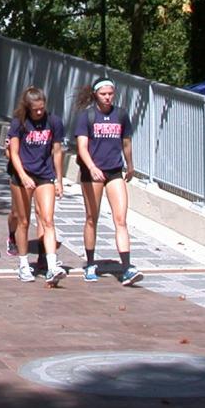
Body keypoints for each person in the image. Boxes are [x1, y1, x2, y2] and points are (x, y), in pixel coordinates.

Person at [73, 78, 143, 286]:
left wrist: (130, 165)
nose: (107, 97)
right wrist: (92, 168)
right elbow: (82, 147)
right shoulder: (87, 116)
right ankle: (91, 263)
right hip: (92, 173)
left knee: (120, 219)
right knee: (91, 218)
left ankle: (126, 267)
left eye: (110, 94)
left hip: (114, 171)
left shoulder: (120, 114)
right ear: (96, 94)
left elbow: (126, 142)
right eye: (103, 94)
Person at [7, 86, 66, 287]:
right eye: (35, 109)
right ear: (28, 107)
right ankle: (23, 264)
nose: (39, 112)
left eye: (42, 108)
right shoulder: (18, 123)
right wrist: (23, 176)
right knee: (23, 221)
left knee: (48, 219)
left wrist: (59, 180)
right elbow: (13, 152)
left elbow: (57, 152)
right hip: (22, 174)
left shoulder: (54, 122)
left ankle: (51, 265)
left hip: (44, 174)